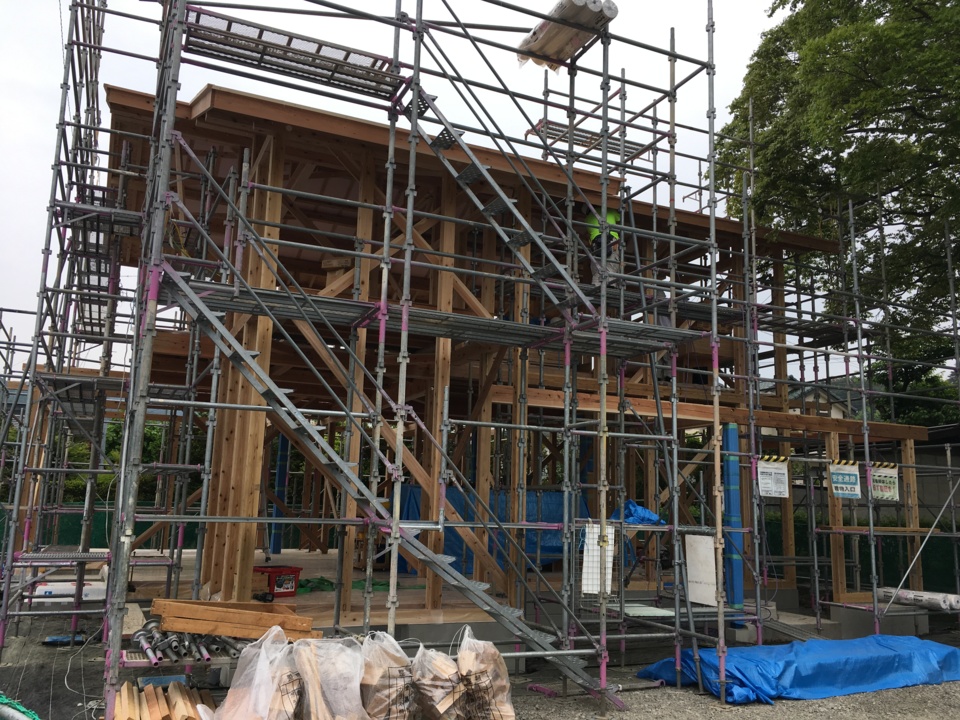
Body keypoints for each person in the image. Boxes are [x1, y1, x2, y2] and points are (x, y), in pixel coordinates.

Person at [584, 206, 621, 286]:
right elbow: (620, 217)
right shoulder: (610, 211)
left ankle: (596, 285)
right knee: (611, 265)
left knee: (597, 267)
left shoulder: (587, 219)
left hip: (596, 243)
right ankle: (610, 286)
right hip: (611, 240)